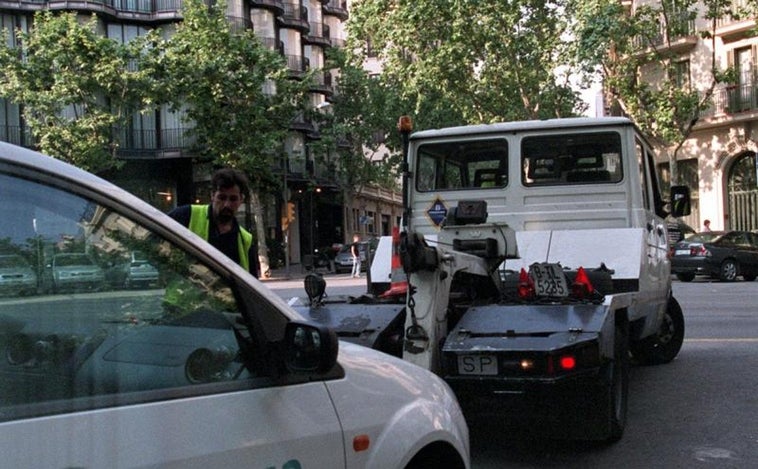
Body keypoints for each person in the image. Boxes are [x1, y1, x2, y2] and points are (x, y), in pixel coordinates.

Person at [169, 167, 259, 278]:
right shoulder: (186, 215)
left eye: (233, 199)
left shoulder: (246, 240)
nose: (227, 204)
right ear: (212, 196)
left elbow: (251, 284)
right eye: (222, 197)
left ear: (241, 199)